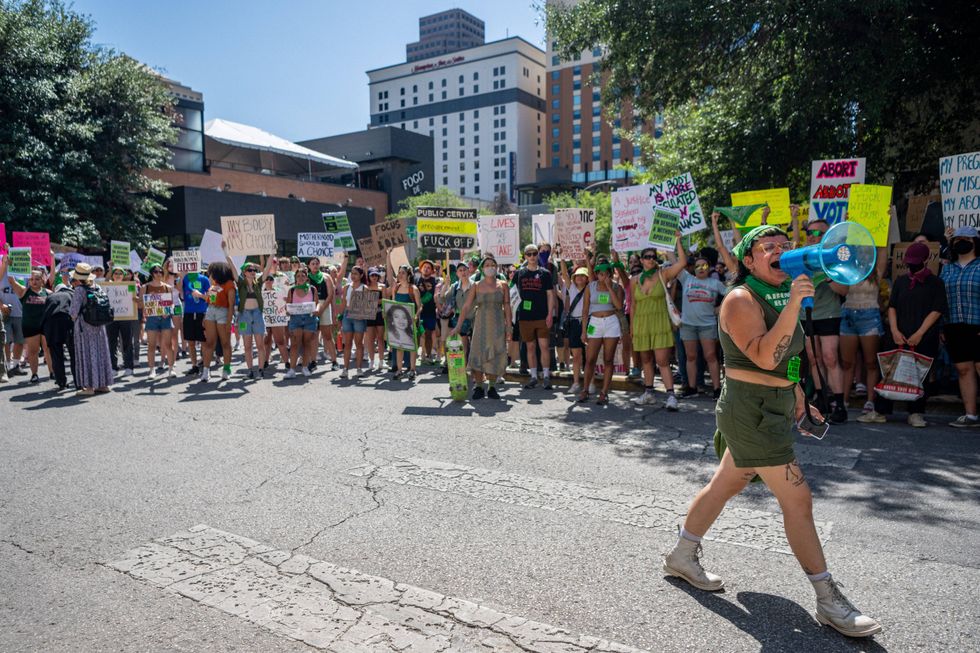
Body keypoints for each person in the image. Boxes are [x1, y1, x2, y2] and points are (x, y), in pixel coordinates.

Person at [663, 225, 881, 638]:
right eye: (770, 248)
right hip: (751, 414)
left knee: (724, 484)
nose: (781, 252)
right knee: (798, 499)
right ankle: (828, 599)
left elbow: (788, 359)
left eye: (786, 246)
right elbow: (765, 356)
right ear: (748, 261)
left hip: (774, 406)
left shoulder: (783, 294)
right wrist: (796, 303)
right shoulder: (740, 300)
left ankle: (681, 555)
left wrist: (797, 394)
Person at [863, 242, 947, 427]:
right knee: (889, 371)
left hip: (923, 336)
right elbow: (892, 307)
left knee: (920, 374)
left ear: (925, 260)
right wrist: (894, 330)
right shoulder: (901, 281)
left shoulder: (936, 283)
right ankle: (880, 410)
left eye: (915, 261)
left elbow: (937, 310)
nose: (912, 264)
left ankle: (916, 413)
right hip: (898, 334)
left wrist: (919, 333)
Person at [800, 219, 849, 424]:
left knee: (830, 358)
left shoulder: (835, 257)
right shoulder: (802, 255)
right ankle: (821, 399)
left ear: (827, 236)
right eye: (809, 232)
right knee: (813, 358)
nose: (812, 236)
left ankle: (839, 404)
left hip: (829, 313)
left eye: (818, 233)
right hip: (807, 314)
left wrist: (828, 275)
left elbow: (843, 290)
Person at [631, 236, 687, 409]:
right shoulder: (634, 280)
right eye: (647, 256)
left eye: (653, 256)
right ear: (641, 260)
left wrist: (677, 240)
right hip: (641, 323)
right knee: (646, 359)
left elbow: (683, 262)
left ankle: (671, 395)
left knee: (662, 360)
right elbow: (633, 304)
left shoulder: (663, 274)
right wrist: (632, 327)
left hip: (659, 321)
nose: (651, 259)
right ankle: (649, 392)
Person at [452, 257, 511, 400]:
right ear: (482, 268)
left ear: (497, 267)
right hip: (480, 323)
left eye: (492, 265)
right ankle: (478, 386)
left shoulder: (503, 285)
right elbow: (466, 306)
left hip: (497, 324)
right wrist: (458, 326)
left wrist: (509, 327)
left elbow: (507, 306)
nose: (490, 267)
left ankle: (491, 387)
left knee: (495, 355)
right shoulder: (476, 285)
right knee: (478, 353)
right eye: (487, 265)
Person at [940, 226, 980, 427]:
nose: (961, 241)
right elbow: (940, 300)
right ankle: (971, 415)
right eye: (957, 239)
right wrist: (941, 327)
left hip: (977, 324)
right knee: (964, 370)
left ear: (975, 242)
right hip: (954, 325)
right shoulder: (947, 268)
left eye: (967, 238)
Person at [841, 248, 888, 415]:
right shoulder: (846, 269)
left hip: (869, 315)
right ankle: (843, 401)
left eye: (866, 251)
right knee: (847, 363)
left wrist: (885, 225)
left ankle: (870, 400)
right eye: (859, 250)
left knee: (870, 362)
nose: (862, 253)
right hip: (847, 315)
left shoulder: (876, 271)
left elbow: (883, 251)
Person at [677, 256, 728, 398]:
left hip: (707, 325)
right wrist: (677, 240)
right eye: (698, 265)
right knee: (691, 356)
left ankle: (717, 389)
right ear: (693, 268)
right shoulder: (686, 278)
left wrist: (719, 308)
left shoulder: (715, 283)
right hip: (688, 325)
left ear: (709, 268)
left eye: (704, 265)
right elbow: (676, 261)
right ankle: (692, 388)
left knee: (711, 356)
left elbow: (731, 294)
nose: (701, 268)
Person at [578, 259, 624, 405]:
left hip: (611, 322)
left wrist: (610, 287)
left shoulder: (617, 287)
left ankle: (604, 392)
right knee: (590, 359)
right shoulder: (590, 287)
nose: (602, 276)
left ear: (610, 274)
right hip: (595, 323)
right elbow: (585, 311)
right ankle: (585, 389)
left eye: (605, 274)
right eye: (599, 274)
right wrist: (583, 331)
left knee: (608, 359)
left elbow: (618, 306)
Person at [0, 259, 52, 384]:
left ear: (43, 280)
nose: (34, 282)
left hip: (45, 326)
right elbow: (12, 281)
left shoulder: (49, 293)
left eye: (37, 279)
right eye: (32, 279)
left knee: (47, 349)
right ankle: (34, 374)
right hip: (30, 326)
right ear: (29, 281)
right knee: (33, 351)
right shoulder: (24, 291)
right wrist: (8, 266)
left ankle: (52, 372)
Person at [67, 263, 113, 395]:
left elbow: (73, 312)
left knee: (86, 353)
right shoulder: (97, 287)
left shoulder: (79, 290)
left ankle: (89, 387)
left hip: (84, 326)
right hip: (99, 326)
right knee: (100, 352)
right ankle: (103, 384)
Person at [515, 244, 556, 390]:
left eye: (534, 253)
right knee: (530, 347)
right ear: (525, 256)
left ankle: (545, 376)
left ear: (538, 255)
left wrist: (550, 314)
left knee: (544, 347)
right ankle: (533, 377)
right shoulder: (519, 273)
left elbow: (550, 294)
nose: (532, 257)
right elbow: (511, 292)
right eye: (529, 254)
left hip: (542, 316)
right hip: (525, 317)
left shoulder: (545, 273)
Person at [231, 254, 275, 380]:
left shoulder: (259, 282)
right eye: (250, 270)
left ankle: (260, 370)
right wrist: (226, 253)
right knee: (247, 346)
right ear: (244, 272)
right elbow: (233, 267)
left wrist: (272, 253)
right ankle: (250, 370)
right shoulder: (240, 283)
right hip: (244, 315)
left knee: (260, 345)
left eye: (254, 270)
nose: (253, 272)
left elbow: (266, 268)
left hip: (257, 314)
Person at [197, 259, 236, 382]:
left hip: (223, 313)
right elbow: (210, 301)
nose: (210, 275)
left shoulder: (230, 284)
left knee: (225, 343)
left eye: (211, 272)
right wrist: (205, 317)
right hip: (210, 312)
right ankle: (206, 371)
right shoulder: (214, 285)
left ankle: (226, 369)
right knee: (209, 343)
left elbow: (231, 305)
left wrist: (229, 322)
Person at [139, 264, 176, 380]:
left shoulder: (167, 287)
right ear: (151, 274)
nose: (159, 274)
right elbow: (140, 304)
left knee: (168, 344)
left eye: (160, 271)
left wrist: (169, 310)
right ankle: (151, 369)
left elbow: (172, 303)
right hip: (152, 318)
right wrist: (148, 299)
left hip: (165, 317)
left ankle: (171, 368)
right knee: (152, 345)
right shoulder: (145, 287)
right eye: (156, 272)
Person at [558, 261, 589, 395]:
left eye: (583, 276)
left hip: (589, 323)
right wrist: (563, 258)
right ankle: (576, 382)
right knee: (576, 356)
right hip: (575, 323)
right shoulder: (571, 288)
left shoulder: (591, 288)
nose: (580, 278)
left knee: (589, 356)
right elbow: (564, 273)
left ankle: (590, 382)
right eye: (577, 276)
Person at [385, 262, 420, 380]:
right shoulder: (396, 287)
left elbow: (420, 306)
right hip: (398, 323)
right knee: (399, 346)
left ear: (408, 275)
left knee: (411, 346)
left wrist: (416, 316)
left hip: (410, 322)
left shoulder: (413, 289)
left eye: (403, 273)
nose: (400, 275)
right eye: (399, 272)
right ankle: (400, 370)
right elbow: (393, 304)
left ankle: (412, 370)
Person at [284, 265, 319, 379]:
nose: (300, 278)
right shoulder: (292, 290)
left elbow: (316, 303)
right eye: (298, 276)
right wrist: (288, 310)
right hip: (296, 319)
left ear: (306, 277)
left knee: (306, 343)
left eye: (303, 276)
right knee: (295, 344)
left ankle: (304, 367)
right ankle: (292, 369)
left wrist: (317, 309)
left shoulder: (312, 289)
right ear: (295, 278)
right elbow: (288, 305)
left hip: (309, 319)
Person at [41, 280, 75, 390]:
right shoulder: (71, 294)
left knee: (56, 354)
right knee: (74, 354)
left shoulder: (50, 297)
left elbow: (45, 314)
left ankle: (61, 382)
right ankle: (78, 381)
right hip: (67, 321)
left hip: (52, 324)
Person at [337, 265, 370, 379]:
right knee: (347, 344)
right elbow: (342, 303)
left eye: (356, 273)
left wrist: (363, 315)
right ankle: (345, 369)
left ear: (361, 275)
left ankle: (359, 369)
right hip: (347, 315)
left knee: (359, 344)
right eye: (352, 273)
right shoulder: (347, 287)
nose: (353, 275)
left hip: (359, 317)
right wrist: (340, 317)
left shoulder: (365, 288)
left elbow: (368, 305)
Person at [308, 256, 338, 371]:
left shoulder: (326, 277)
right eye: (312, 263)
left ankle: (334, 361)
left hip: (324, 305)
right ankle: (313, 361)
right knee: (313, 336)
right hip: (311, 307)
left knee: (327, 335)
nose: (315, 265)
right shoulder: (306, 278)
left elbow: (331, 295)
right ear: (309, 265)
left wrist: (322, 308)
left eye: (317, 263)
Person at [104, 267, 136, 376]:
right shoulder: (107, 286)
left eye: (120, 273)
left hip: (126, 317)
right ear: (112, 275)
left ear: (123, 275)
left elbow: (134, 298)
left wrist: (134, 299)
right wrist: (110, 268)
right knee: (112, 343)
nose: (118, 275)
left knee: (127, 342)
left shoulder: (129, 286)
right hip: (111, 318)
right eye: (115, 273)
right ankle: (113, 367)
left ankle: (128, 366)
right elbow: (105, 282)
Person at [181, 268, 210, 376]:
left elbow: (211, 297)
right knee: (191, 342)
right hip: (188, 313)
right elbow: (179, 291)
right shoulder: (185, 278)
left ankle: (206, 366)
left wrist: (200, 295)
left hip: (201, 313)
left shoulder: (204, 279)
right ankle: (194, 366)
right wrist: (181, 275)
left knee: (204, 342)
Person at [0, 265, 25, 377]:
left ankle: (15, 365)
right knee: (6, 341)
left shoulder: (24, 274)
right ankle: (7, 366)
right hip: (5, 313)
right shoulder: (1, 274)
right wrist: (1, 305)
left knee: (20, 341)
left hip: (20, 313)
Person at [416, 260, 440, 364]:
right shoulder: (416, 280)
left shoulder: (435, 281)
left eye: (428, 267)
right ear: (421, 268)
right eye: (424, 267)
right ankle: (415, 354)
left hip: (430, 312)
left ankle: (428, 355)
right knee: (417, 333)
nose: (426, 269)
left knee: (429, 334)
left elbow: (432, 295)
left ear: (432, 270)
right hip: (417, 312)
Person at [364, 267, 387, 372]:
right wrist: (377, 301)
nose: (374, 277)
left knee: (380, 338)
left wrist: (373, 301)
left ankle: (382, 361)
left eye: (376, 275)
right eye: (372, 275)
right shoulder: (365, 287)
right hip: (369, 314)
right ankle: (371, 361)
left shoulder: (382, 286)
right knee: (370, 339)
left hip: (379, 314)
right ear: (369, 276)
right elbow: (363, 300)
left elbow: (385, 300)